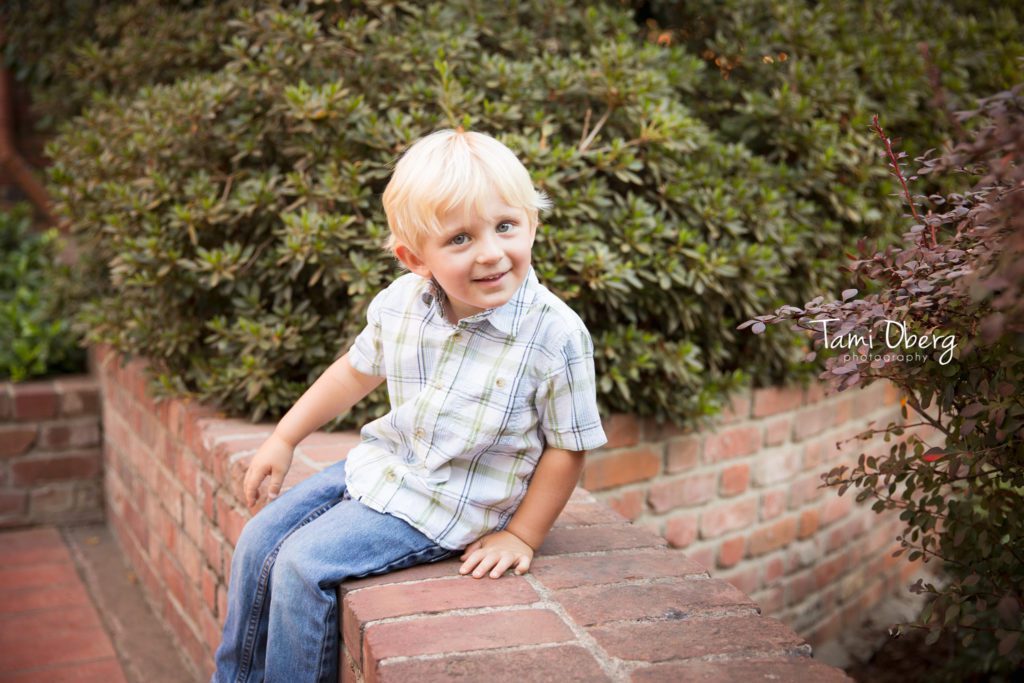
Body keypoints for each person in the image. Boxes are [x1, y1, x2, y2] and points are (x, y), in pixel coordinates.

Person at [211, 128, 607, 683]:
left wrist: (522, 535)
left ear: (532, 222)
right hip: (388, 467)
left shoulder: (555, 334)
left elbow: (569, 446)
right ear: (414, 257)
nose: (492, 252)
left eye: (506, 226)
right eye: (461, 239)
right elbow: (352, 373)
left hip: (452, 503)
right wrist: (284, 437)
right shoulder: (401, 303)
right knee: (258, 540)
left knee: (304, 566)